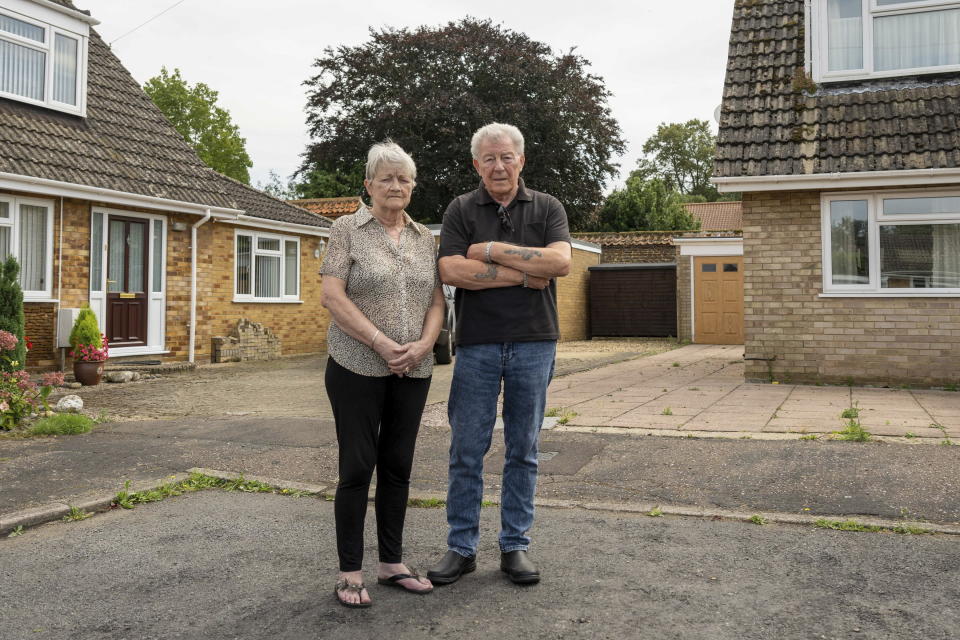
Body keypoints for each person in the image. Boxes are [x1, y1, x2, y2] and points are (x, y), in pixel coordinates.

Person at [428, 123, 571, 586]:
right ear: (476, 164)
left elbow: (562, 263)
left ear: (521, 160)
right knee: (467, 448)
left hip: (534, 342)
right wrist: (527, 274)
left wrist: (490, 251)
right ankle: (462, 547)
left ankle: (515, 547)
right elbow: (451, 269)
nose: (498, 165)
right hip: (478, 344)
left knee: (523, 449)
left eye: (506, 156)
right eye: (488, 158)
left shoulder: (547, 207)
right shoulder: (461, 209)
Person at [320, 140, 445, 607]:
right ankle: (349, 571)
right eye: (386, 178)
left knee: (398, 466)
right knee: (357, 467)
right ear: (369, 184)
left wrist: (425, 343)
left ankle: (392, 563)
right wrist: (379, 341)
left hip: (414, 368)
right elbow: (332, 296)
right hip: (356, 365)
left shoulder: (421, 238)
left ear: (413, 187)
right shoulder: (346, 229)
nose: (396, 186)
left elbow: (436, 300)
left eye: (404, 179)